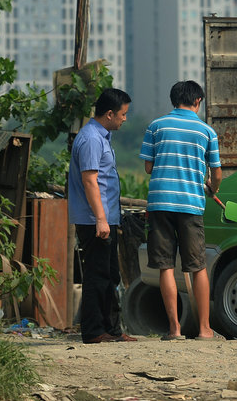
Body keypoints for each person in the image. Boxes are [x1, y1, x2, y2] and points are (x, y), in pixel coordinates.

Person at [140, 80, 222, 340]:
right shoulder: (206, 132)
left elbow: (149, 168)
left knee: (165, 266)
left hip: (160, 203)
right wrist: (212, 187)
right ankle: (204, 330)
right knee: (197, 266)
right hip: (190, 204)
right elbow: (217, 173)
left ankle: (174, 330)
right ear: (198, 101)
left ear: (174, 100)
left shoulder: (155, 126)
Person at [68, 87, 137, 344]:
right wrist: (100, 218)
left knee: (110, 275)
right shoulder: (91, 139)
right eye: (123, 114)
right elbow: (89, 180)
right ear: (109, 114)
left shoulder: (102, 136)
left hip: (105, 218)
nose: (125, 118)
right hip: (94, 219)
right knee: (97, 275)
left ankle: (112, 330)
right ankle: (94, 331)